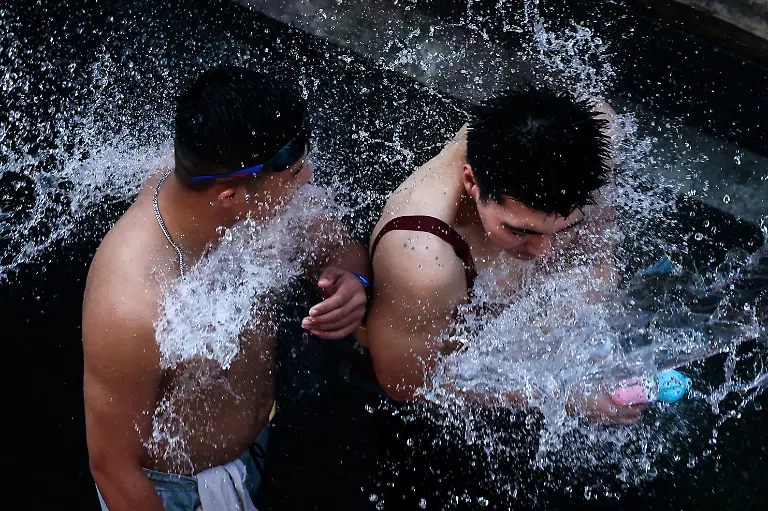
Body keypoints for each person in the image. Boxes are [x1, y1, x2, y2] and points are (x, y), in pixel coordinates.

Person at [83, 66, 371, 511]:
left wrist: (355, 280)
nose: (308, 178)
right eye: (294, 174)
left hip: (252, 446)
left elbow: (333, 242)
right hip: (175, 492)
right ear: (230, 196)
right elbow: (112, 468)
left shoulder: (240, 190)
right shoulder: (133, 308)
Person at [363, 82, 643, 424]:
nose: (544, 250)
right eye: (521, 231)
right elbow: (406, 383)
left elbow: (599, 246)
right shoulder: (423, 260)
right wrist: (560, 396)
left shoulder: (594, 137)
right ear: (471, 182)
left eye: (565, 229)